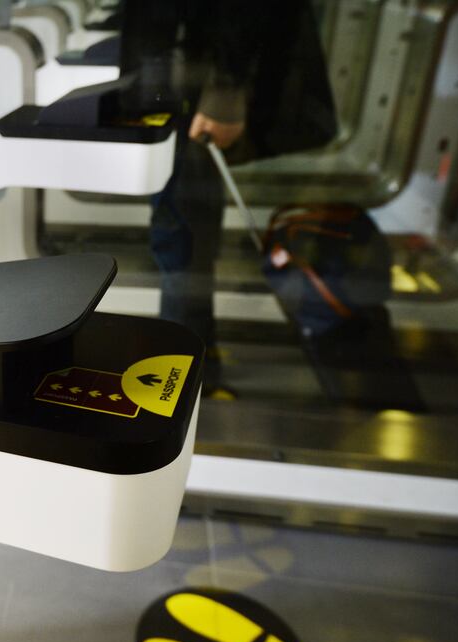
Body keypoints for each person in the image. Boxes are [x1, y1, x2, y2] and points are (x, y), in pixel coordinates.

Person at [119, 0, 336, 396]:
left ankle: (183, 382)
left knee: (183, 237)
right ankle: (198, 362)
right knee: (185, 233)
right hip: (176, 76)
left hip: (191, 79)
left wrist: (225, 89)